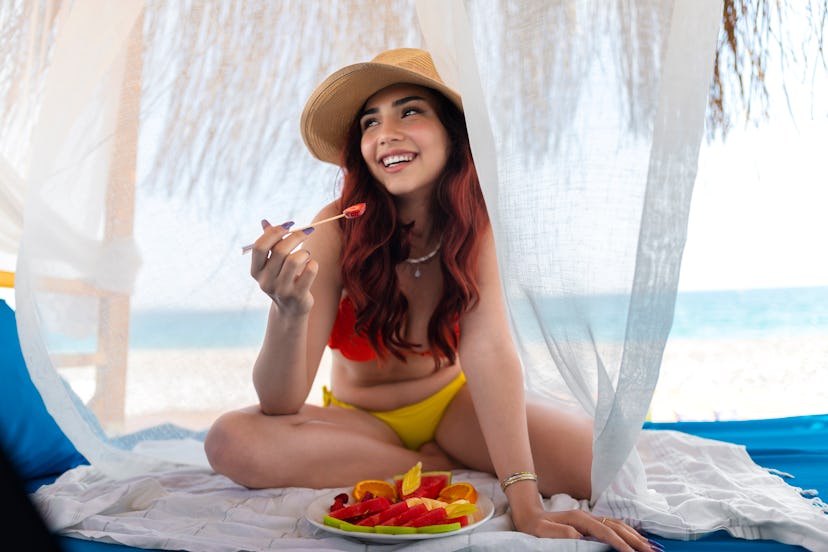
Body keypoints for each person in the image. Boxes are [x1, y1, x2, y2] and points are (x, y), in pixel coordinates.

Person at [205, 48, 655, 551]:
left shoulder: (476, 223)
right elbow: (280, 404)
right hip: (357, 422)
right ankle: (436, 465)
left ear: (453, 134)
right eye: (369, 123)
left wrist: (525, 501)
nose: (385, 133)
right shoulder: (334, 231)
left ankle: (434, 458)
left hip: (453, 408)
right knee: (231, 441)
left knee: (603, 469)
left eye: (410, 111)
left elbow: (489, 351)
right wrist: (288, 311)